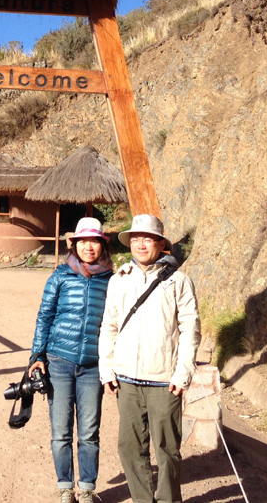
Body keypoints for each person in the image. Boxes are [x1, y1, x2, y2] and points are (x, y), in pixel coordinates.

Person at [99, 214, 200, 503]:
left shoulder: (179, 281)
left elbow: (190, 328)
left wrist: (183, 373)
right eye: (136, 239)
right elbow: (109, 326)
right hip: (127, 379)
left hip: (163, 380)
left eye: (147, 239)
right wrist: (107, 369)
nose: (141, 244)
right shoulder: (119, 280)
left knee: (167, 449)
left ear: (160, 243)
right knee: (130, 447)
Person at [29, 217, 114, 503]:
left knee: (89, 432)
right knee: (60, 432)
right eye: (83, 241)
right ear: (74, 245)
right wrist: (37, 355)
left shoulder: (112, 280)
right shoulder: (60, 276)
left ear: (102, 245)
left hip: (92, 366)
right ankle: (65, 488)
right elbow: (45, 316)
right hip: (59, 362)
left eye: (94, 242)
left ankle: (87, 488)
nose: (89, 247)